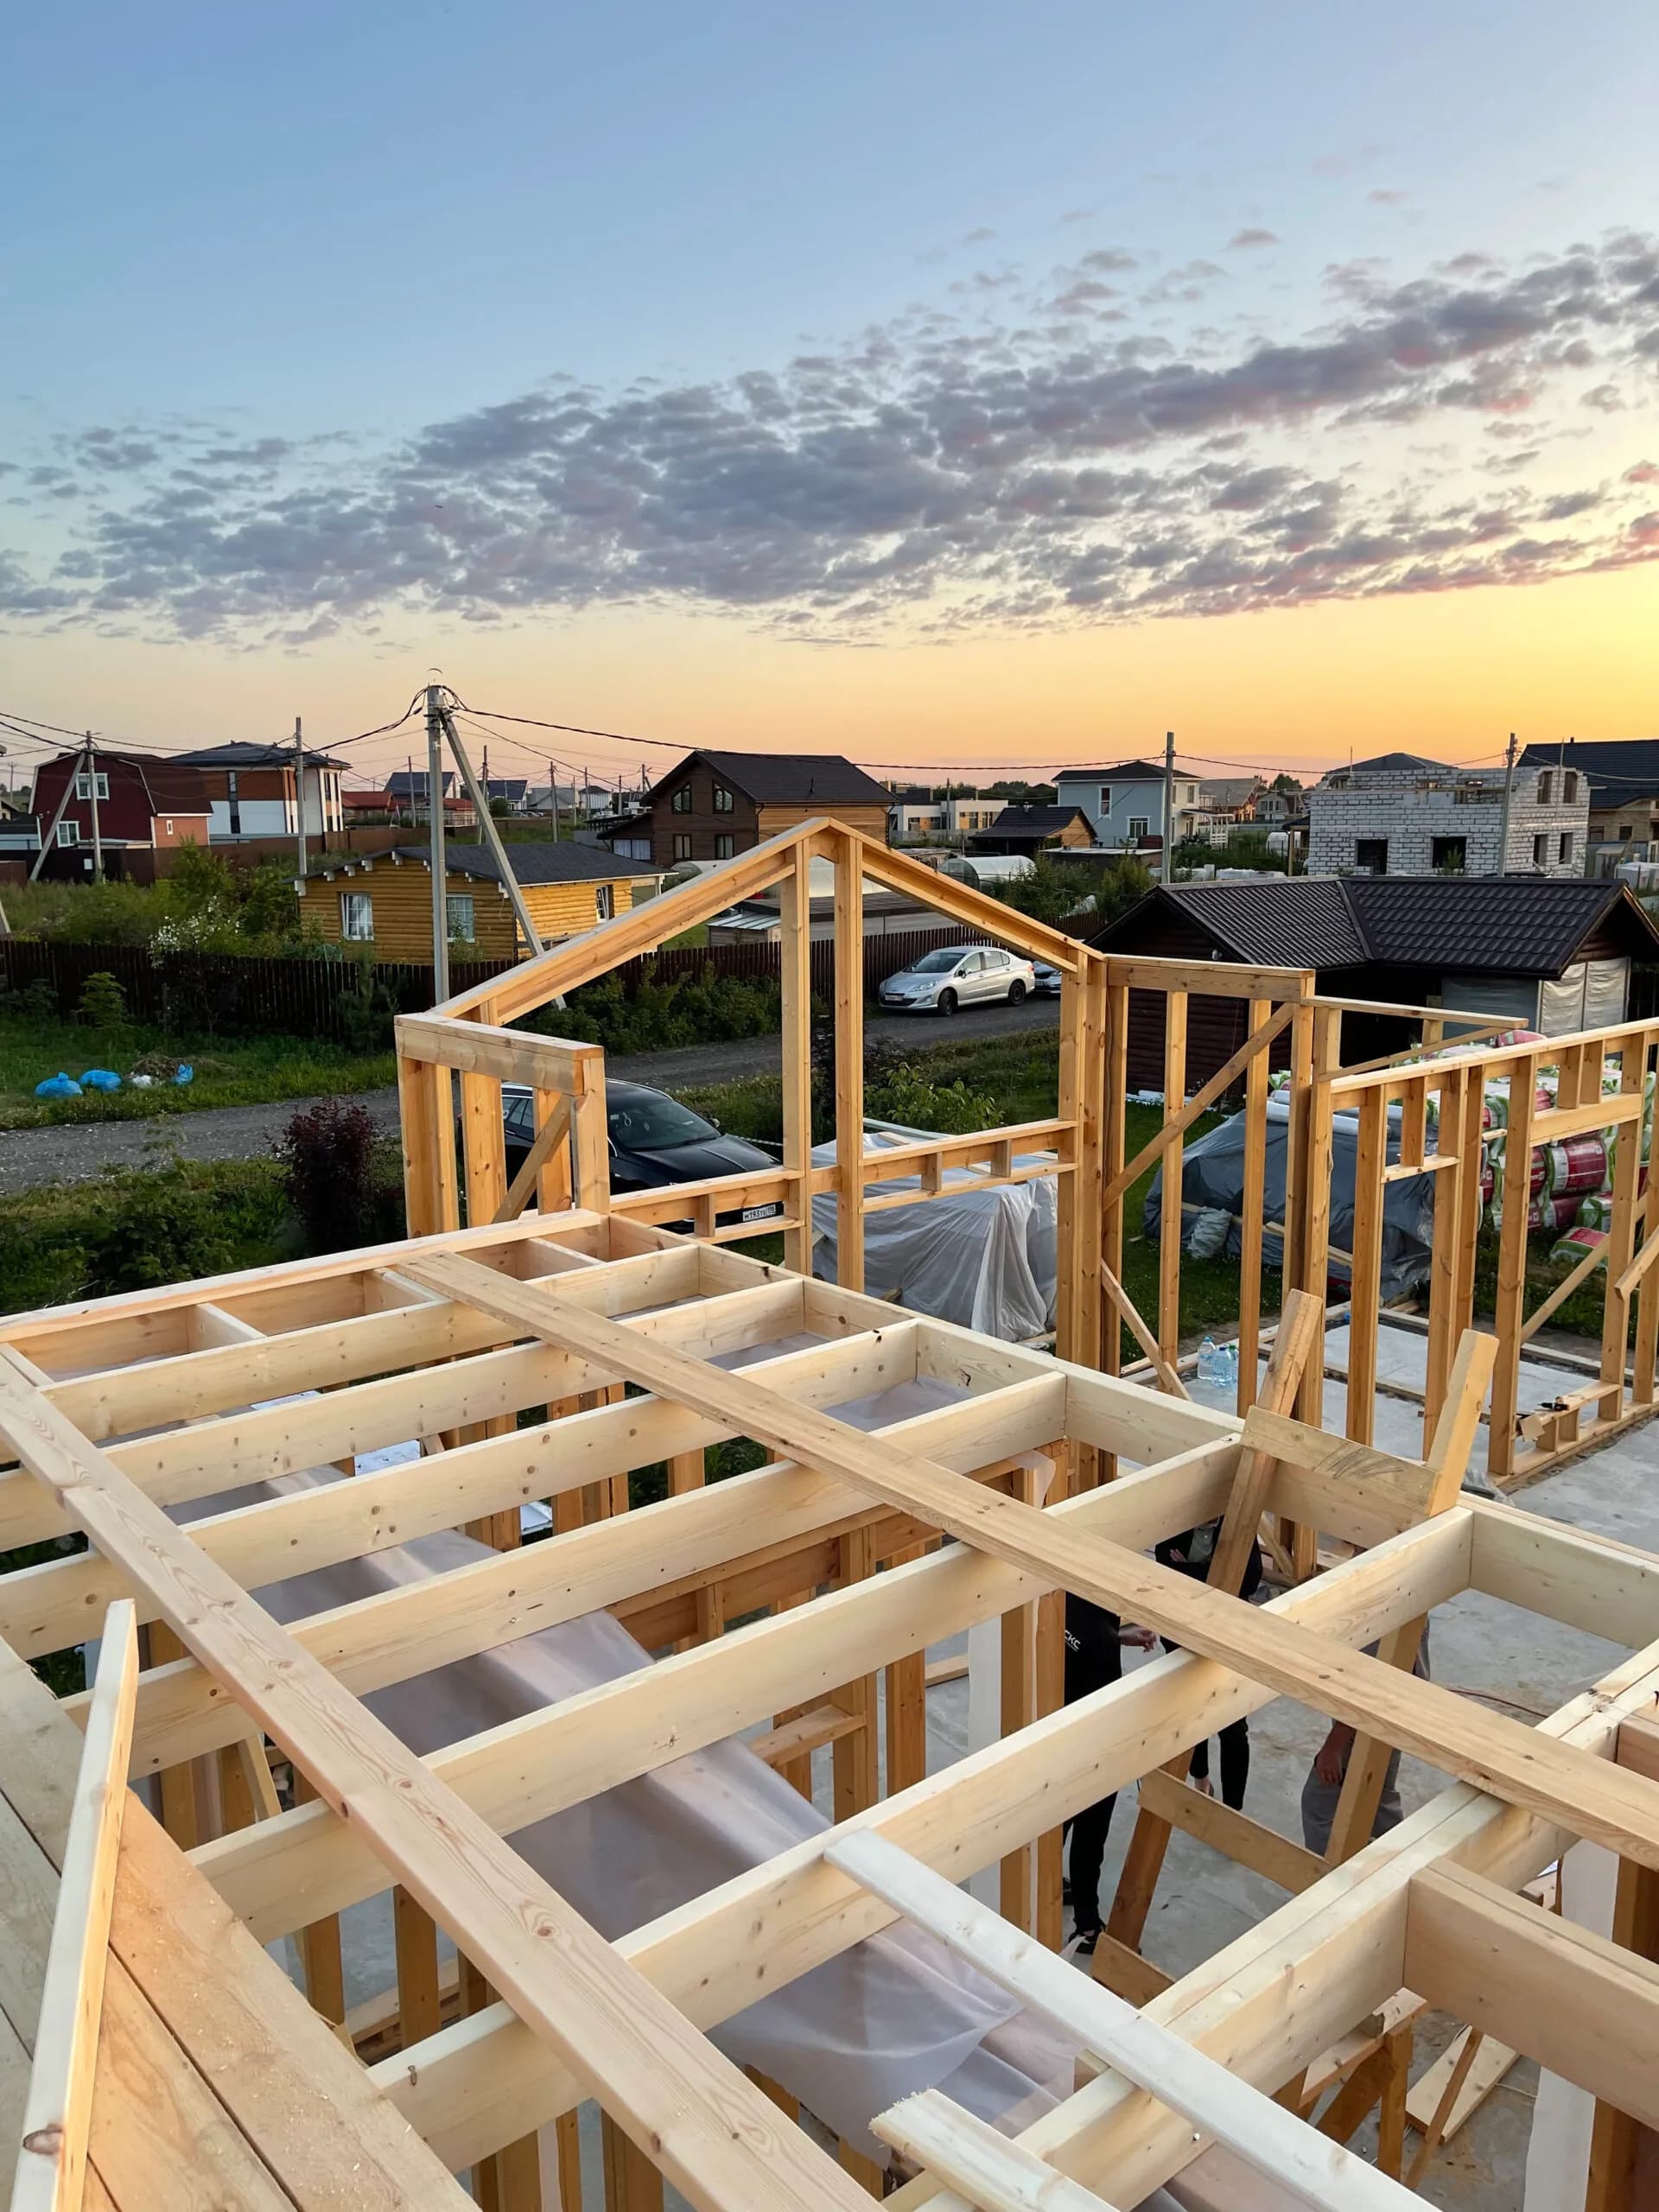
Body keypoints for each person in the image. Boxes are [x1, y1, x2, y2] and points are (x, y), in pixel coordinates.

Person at [1063, 1592, 1154, 1953]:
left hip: (1059, 1731)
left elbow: (1084, 1637)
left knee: (1058, 1820)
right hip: (1094, 1744)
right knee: (1090, 1833)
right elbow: (1107, 1692)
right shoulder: (1099, 1642)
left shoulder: (1067, 1598)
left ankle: (1045, 1884)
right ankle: (1087, 1927)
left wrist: (1118, 1636)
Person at [1153, 1519, 1262, 1810]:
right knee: (1191, 1714)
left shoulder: (1238, 1522)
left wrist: (1189, 1571)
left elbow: (1251, 1578)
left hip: (1226, 1639)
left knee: (1233, 1728)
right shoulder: (1181, 1519)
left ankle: (1233, 1809)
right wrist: (1219, 1574)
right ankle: (1200, 1778)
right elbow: (1163, 1566)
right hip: (1182, 1635)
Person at [1300, 1622, 1433, 1855]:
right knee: (1377, 1798)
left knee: (1320, 1805)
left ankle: (1334, 1873)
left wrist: (1334, 1746)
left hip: (1367, 1722)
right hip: (1392, 1716)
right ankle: (1395, 1863)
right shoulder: (1409, 1611)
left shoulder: (1385, 1621)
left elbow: (1370, 1690)